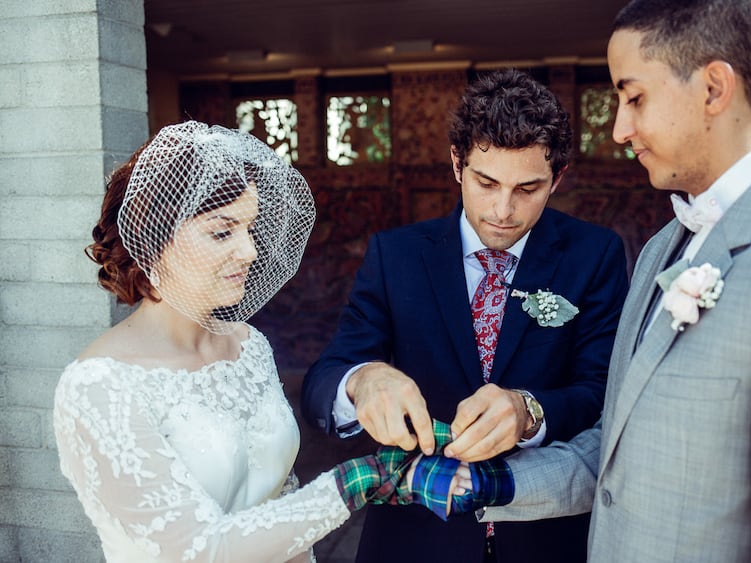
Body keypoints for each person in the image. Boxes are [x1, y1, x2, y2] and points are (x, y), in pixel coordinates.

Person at [475, 1, 751, 561]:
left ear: (714, 88)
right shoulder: (657, 251)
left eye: (635, 98)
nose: (620, 130)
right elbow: (618, 452)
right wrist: (487, 484)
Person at [52, 121, 469, 563]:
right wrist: (357, 482)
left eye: (249, 228)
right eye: (222, 232)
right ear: (155, 239)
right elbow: (199, 551)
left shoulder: (248, 345)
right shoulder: (100, 386)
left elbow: (280, 499)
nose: (249, 251)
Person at [301, 69, 630, 563]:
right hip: (416, 537)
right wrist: (362, 381)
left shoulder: (595, 254)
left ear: (557, 178)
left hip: (545, 538)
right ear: (457, 163)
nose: (503, 209)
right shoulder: (396, 254)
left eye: (528, 188)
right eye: (486, 182)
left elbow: (602, 390)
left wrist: (530, 412)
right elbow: (322, 382)